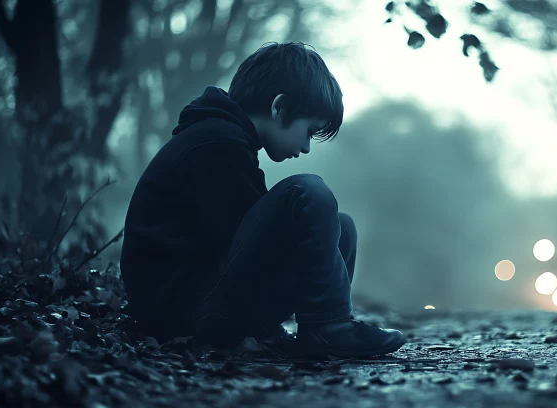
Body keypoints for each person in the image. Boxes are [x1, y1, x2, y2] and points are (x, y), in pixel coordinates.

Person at [120, 42, 405, 358]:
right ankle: (329, 327)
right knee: (306, 191)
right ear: (279, 107)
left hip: (202, 304)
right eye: (309, 131)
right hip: (182, 316)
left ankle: (323, 326)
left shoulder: (227, 139)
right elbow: (244, 246)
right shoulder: (217, 143)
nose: (307, 147)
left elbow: (247, 244)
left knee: (341, 229)